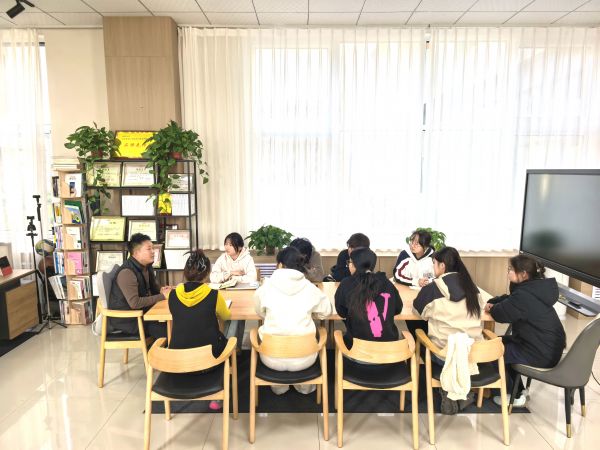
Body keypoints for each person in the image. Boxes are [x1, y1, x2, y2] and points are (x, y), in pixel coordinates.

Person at [485, 255, 566, 408]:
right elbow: (510, 300)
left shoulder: (525, 295)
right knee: (496, 342)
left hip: (539, 352)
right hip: (544, 347)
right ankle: (519, 391)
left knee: (494, 351)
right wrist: (494, 302)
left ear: (523, 274)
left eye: (511, 269)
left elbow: (502, 314)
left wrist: (493, 308)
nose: (508, 272)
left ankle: (514, 396)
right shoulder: (534, 289)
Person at [412, 246, 486, 414]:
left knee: (419, 335)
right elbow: (481, 310)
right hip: (474, 352)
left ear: (442, 266)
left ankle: (447, 388)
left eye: (434, 263)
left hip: (443, 353)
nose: (433, 267)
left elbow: (417, 312)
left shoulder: (433, 289)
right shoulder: (473, 288)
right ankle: (460, 390)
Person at [254, 246, 332, 395]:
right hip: (305, 358)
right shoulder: (309, 288)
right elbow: (327, 311)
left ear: (280, 265)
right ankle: (305, 387)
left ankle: (278, 388)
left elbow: (259, 311)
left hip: (271, 357)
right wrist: (311, 314)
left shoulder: (266, 287)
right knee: (314, 333)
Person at [169, 249, 231, 411]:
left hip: (178, 362)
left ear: (185, 272)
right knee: (228, 336)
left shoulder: (173, 295)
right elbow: (226, 316)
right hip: (208, 361)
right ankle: (218, 395)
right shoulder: (213, 295)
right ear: (207, 273)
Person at [335, 247, 402, 349]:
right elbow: (398, 308)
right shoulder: (387, 283)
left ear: (354, 265)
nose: (349, 265)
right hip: (389, 351)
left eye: (350, 262)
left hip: (357, 352)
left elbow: (341, 312)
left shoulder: (346, 283)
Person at [108, 233, 171, 338]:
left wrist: (161, 290)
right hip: (129, 321)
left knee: (175, 324)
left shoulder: (146, 266)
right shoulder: (127, 272)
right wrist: (163, 296)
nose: (153, 252)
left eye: (153, 248)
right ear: (136, 253)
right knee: (171, 331)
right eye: (149, 249)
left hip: (144, 314)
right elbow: (135, 303)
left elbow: (153, 288)